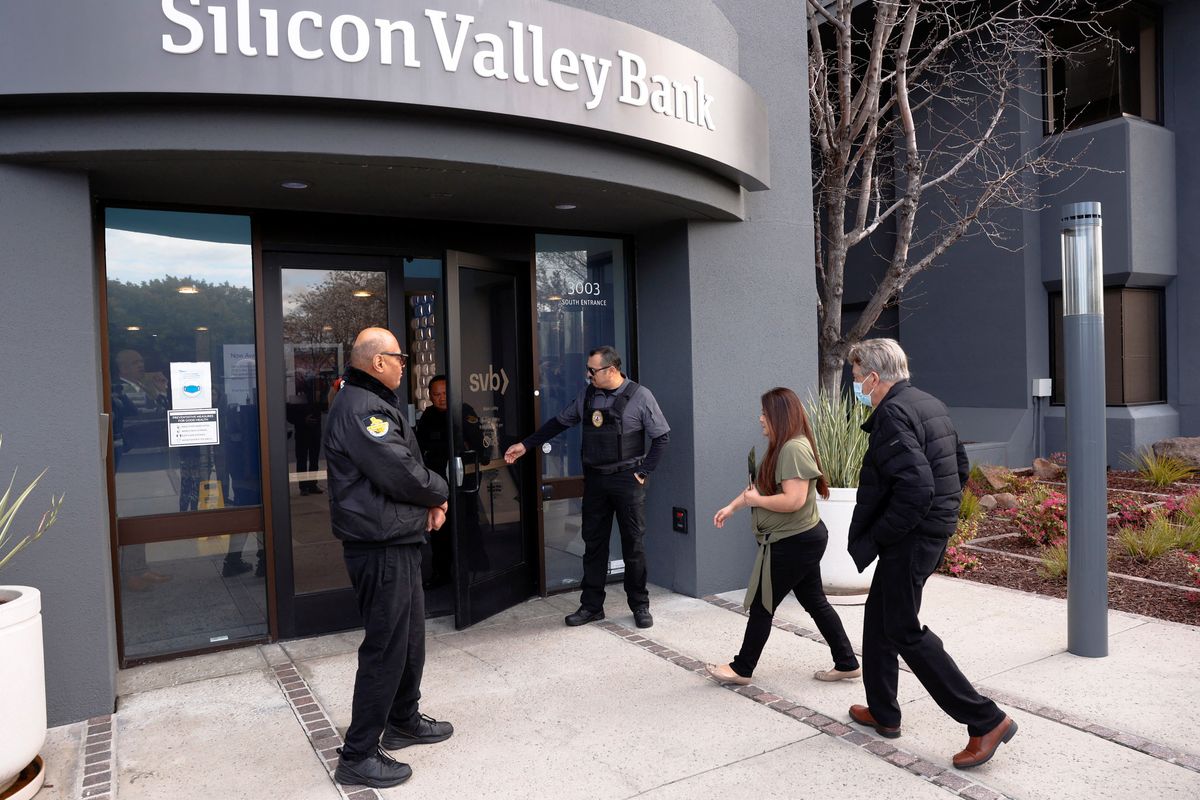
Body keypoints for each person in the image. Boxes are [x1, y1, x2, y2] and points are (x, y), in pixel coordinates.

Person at [844, 338, 1016, 769]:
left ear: (873, 377)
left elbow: (916, 488)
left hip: (911, 537)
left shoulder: (892, 415)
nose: (855, 386)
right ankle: (883, 711)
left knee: (904, 629)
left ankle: (985, 719)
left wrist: (883, 535)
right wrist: (941, 518)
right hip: (926, 531)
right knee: (879, 618)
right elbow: (959, 469)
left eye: (856, 378)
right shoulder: (928, 403)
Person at [324, 327, 453, 789]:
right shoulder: (362, 407)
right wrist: (440, 493)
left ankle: (403, 718)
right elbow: (399, 471)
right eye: (399, 357)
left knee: (409, 637)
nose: (405, 363)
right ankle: (358, 753)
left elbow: (400, 472)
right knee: (385, 646)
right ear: (378, 362)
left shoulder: (372, 401)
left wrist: (429, 506)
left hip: (397, 537)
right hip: (379, 546)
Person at [504, 346, 669, 629]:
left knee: (634, 545)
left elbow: (661, 437)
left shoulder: (641, 396)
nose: (588, 375)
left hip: (626, 480)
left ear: (612, 370)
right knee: (593, 545)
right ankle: (591, 606)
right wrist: (525, 445)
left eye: (592, 370)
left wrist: (643, 472)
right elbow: (559, 422)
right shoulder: (588, 395)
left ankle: (639, 605)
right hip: (595, 480)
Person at [704, 388, 860, 685]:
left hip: (795, 541)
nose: (760, 418)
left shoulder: (793, 449)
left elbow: (794, 500)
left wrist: (755, 503)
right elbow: (761, 488)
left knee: (764, 603)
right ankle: (846, 660)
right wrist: (733, 506)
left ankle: (742, 668)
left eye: (764, 413)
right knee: (814, 600)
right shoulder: (782, 446)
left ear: (778, 415)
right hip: (799, 538)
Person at [414, 374, 484, 587]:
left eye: (445, 393)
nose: (442, 398)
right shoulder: (427, 416)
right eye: (437, 394)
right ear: (430, 396)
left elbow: (480, 445)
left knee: (467, 523)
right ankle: (441, 574)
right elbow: (419, 447)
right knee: (440, 530)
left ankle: (473, 571)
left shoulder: (464, 412)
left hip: (463, 481)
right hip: (437, 481)